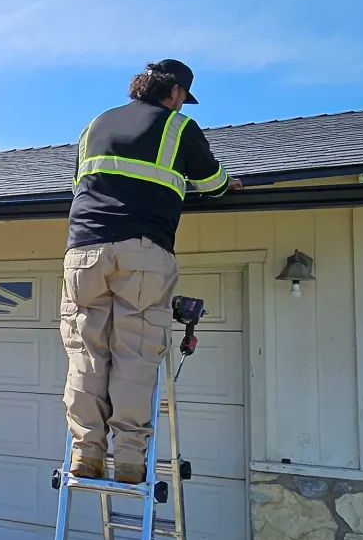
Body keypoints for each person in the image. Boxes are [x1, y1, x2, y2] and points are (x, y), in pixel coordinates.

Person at [63, 60, 239, 482]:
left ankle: (85, 453)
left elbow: (79, 186)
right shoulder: (178, 127)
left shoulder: (95, 125)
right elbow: (212, 183)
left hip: (84, 252)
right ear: (175, 92)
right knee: (135, 355)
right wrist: (228, 182)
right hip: (143, 251)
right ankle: (127, 458)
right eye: (183, 98)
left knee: (87, 353)